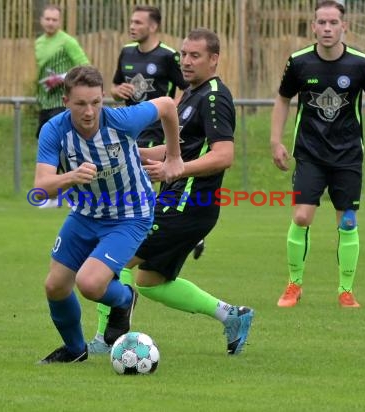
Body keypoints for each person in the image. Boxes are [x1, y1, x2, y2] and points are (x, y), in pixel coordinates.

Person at [88, 28, 255, 356]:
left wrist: (176, 169)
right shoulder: (192, 94)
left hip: (188, 203)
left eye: (196, 56)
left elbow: (224, 155)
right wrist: (138, 153)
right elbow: (182, 147)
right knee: (150, 281)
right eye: (183, 54)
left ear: (214, 59)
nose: (186, 61)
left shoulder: (214, 96)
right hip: (178, 202)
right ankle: (231, 316)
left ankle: (105, 339)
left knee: (113, 258)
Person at [35, 65, 183, 364]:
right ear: (65, 102)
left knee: (89, 284)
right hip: (85, 214)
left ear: (103, 98)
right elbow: (41, 188)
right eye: (80, 104)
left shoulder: (121, 120)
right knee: (55, 285)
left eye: (95, 102)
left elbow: (167, 105)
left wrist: (174, 156)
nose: (89, 112)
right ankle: (76, 350)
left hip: (130, 214)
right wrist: (71, 177)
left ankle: (125, 299)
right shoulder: (54, 130)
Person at [270, 0, 365, 308]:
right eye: (321, 23)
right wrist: (276, 141)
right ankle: (294, 285)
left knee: (348, 222)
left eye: (333, 23)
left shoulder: (361, 63)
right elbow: (282, 99)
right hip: (310, 154)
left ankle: (345, 290)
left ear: (344, 26)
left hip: (348, 156)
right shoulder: (299, 62)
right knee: (301, 216)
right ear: (313, 26)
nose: (327, 28)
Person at [112, 5, 206, 259]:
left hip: (156, 131)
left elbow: (189, 91)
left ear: (153, 26)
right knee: (141, 188)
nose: (132, 26)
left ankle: (168, 230)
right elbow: (115, 84)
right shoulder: (126, 52)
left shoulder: (168, 56)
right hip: (130, 130)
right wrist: (116, 91)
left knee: (144, 185)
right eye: (131, 21)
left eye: (138, 22)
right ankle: (181, 231)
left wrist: (169, 112)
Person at [35, 5, 89, 140]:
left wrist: (61, 78)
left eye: (54, 20)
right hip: (44, 101)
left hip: (62, 101)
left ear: (60, 22)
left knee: (59, 141)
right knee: (44, 140)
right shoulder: (38, 42)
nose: (50, 23)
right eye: (47, 19)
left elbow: (85, 66)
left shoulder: (67, 41)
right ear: (41, 20)